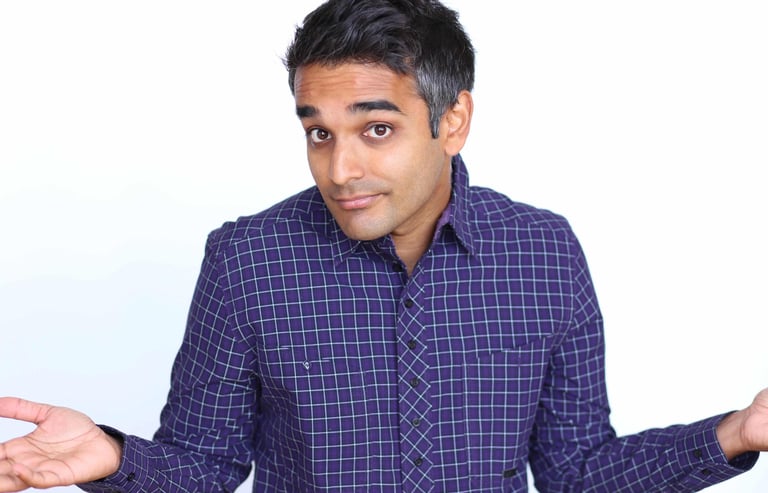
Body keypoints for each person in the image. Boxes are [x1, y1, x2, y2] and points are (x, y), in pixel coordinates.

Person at [0, 0, 766, 491]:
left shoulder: (544, 252)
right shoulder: (247, 261)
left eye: (376, 128)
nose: (341, 169)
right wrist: (113, 455)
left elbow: (577, 471)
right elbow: (204, 464)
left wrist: (733, 434)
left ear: (452, 120)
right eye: (319, 133)